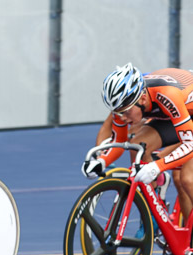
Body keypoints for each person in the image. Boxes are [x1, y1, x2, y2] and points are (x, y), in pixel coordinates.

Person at [82, 63, 193, 224]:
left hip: (182, 107)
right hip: (180, 113)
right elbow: (119, 141)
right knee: (138, 144)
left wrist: (157, 167)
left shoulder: (167, 94)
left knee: (186, 178)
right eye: (117, 112)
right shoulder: (126, 103)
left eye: (126, 111)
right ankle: (154, 215)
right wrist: (101, 162)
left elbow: (189, 144)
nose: (122, 118)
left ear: (141, 99)